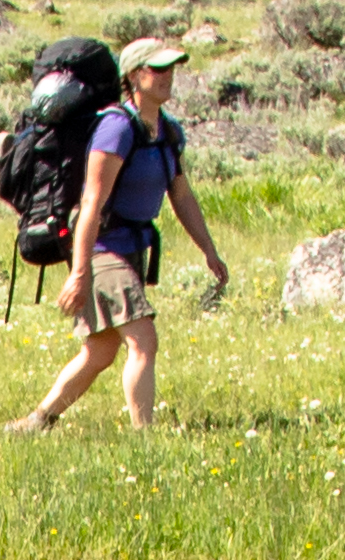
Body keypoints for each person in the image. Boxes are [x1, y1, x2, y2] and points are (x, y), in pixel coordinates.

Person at [17, 37, 232, 428]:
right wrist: (80, 272)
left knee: (99, 350)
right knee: (143, 341)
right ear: (134, 75)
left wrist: (209, 251)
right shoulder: (116, 128)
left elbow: (181, 196)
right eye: (158, 69)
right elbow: (92, 203)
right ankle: (143, 438)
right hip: (101, 247)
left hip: (131, 248)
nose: (169, 76)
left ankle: (38, 421)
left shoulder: (167, 132)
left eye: (172, 68)